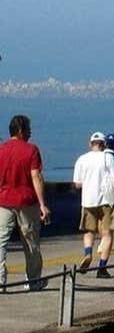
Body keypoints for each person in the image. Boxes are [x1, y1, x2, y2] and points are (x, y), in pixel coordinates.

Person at [0, 115, 51, 291]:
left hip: (4, 201)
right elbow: (35, 176)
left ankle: (0, 282)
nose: (30, 132)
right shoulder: (31, 150)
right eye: (28, 129)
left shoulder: (2, 150)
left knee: (0, 242)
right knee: (31, 242)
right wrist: (42, 204)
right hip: (27, 202)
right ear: (21, 130)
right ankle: (33, 280)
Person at [72, 132, 114, 278]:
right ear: (104, 144)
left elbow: (77, 184)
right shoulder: (108, 157)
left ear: (90, 143)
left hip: (87, 200)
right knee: (107, 234)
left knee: (89, 231)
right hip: (106, 201)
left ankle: (88, 253)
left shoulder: (82, 159)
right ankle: (102, 267)